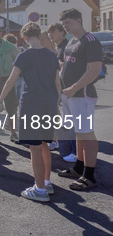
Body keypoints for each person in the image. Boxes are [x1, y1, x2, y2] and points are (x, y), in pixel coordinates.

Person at [0, 22, 61, 202]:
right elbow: (57, 83)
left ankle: (39, 190)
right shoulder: (52, 55)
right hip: (49, 103)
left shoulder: (24, 56)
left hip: (32, 103)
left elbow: (10, 81)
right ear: (40, 35)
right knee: (45, 144)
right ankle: (46, 182)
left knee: (35, 147)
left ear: (24, 37)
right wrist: (59, 104)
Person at [57, 8, 102, 191]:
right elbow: (63, 65)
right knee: (78, 132)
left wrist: (74, 87)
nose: (65, 27)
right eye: (63, 24)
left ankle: (89, 176)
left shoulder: (90, 41)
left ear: (78, 20)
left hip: (82, 95)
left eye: (67, 23)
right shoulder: (71, 42)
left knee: (87, 133)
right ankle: (78, 167)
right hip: (69, 95)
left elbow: (93, 70)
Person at [47, 22, 77, 162]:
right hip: (65, 89)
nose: (50, 35)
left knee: (70, 123)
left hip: (71, 90)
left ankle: (73, 152)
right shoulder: (59, 47)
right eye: (49, 33)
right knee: (67, 122)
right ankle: (69, 151)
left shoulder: (67, 45)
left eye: (52, 32)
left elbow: (67, 66)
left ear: (61, 32)